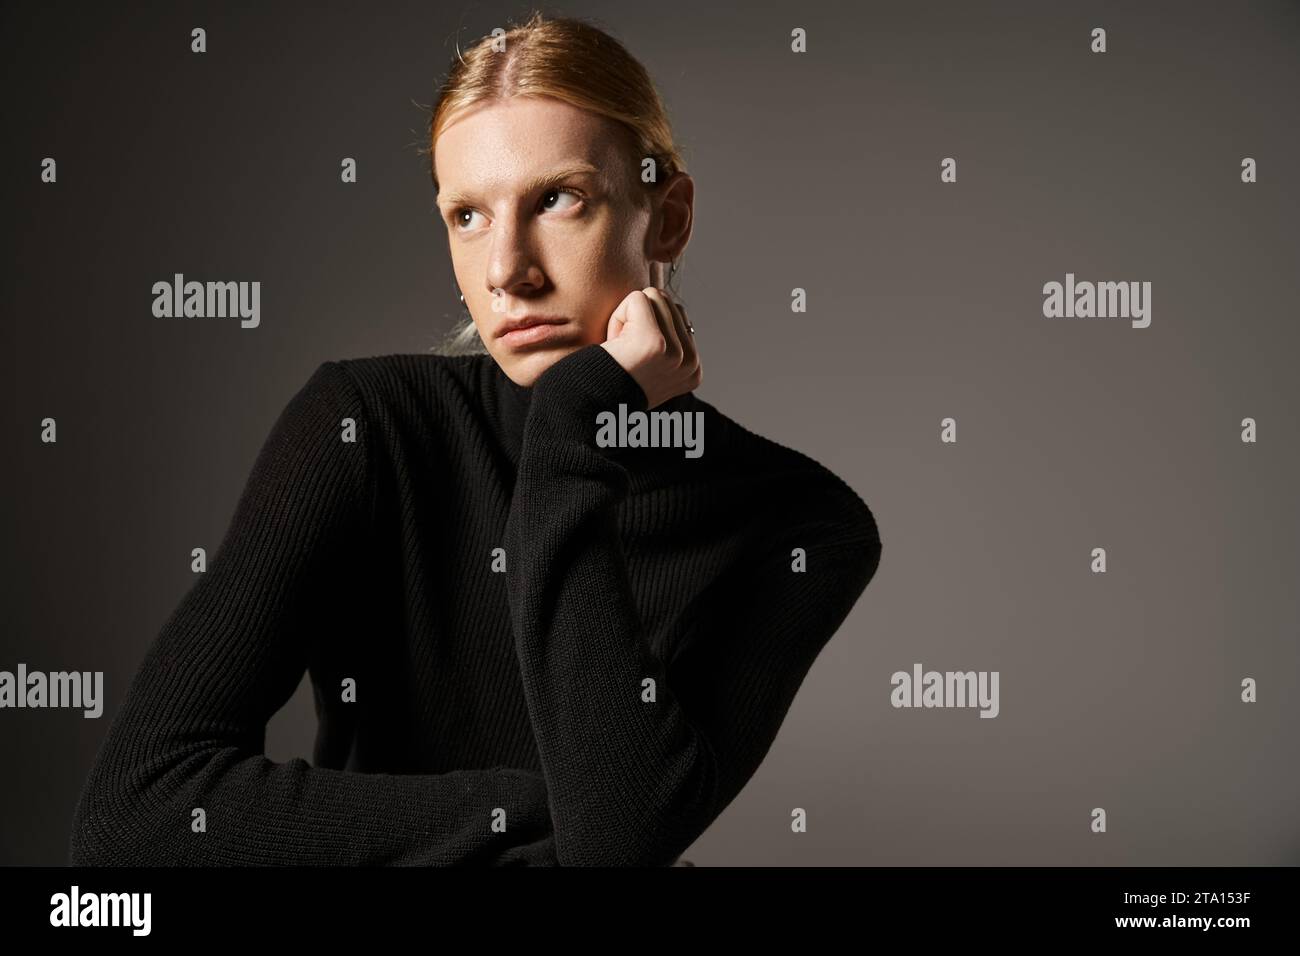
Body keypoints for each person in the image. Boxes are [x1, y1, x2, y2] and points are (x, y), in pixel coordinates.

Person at [67, 11, 882, 868]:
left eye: (557, 199)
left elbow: (615, 844)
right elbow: (134, 814)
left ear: (667, 218)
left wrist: (572, 423)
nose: (505, 271)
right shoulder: (365, 428)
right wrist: (537, 814)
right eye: (467, 216)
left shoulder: (802, 527)